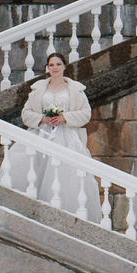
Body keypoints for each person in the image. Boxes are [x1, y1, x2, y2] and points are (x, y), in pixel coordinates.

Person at [13, 52, 99, 220]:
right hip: (43, 134)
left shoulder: (75, 90)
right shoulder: (38, 90)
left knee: (68, 175)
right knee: (37, 171)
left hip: (67, 136)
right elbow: (26, 113)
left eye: (58, 64)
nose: (55, 68)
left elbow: (85, 114)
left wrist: (65, 118)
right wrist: (42, 119)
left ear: (64, 66)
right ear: (47, 68)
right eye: (51, 65)